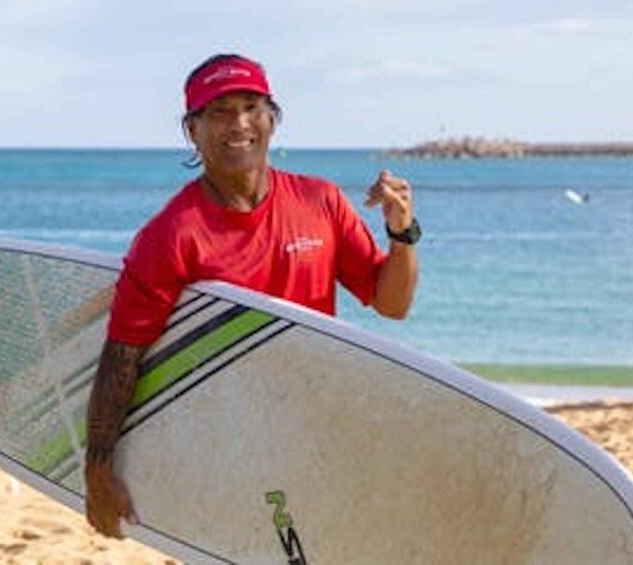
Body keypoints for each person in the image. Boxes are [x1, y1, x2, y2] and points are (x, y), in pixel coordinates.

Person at [84, 53, 420, 539]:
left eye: (251, 106)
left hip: (314, 423)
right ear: (192, 131)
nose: (238, 124)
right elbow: (123, 353)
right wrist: (99, 469)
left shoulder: (320, 202)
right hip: (225, 440)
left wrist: (401, 232)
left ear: (271, 119)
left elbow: (393, 303)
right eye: (219, 111)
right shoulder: (173, 235)